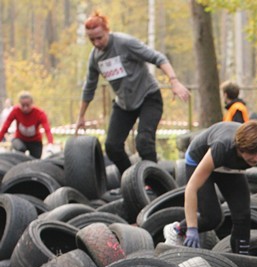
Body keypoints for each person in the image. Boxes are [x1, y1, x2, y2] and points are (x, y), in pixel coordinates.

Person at [74, 10, 190, 173]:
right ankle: (131, 179)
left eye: (99, 38)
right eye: (92, 40)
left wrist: (174, 81)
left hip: (148, 98)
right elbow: (89, 87)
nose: (97, 43)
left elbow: (158, 58)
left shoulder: (125, 43)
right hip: (124, 104)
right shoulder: (95, 58)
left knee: (143, 141)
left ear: (107, 31)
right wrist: (81, 116)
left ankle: (153, 181)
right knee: (112, 147)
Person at [164, 120, 257, 255]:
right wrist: (192, 228)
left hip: (230, 169)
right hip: (199, 161)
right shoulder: (222, 147)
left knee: (243, 215)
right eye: (252, 153)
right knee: (212, 218)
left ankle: (241, 258)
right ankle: (177, 229)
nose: (256, 159)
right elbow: (191, 188)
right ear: (240, 147)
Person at [0, 91, 54, 158]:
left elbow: (47, 129)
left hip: (35, 141)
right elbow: (5, 126)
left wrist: (50, 143)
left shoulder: (39, 113)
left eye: (27, 105)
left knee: (35, 160)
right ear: (19, 104)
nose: (25, 108)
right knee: (20, 148)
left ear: (32, 104)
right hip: (20, 139)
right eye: (23, 105)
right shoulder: (15, 111)